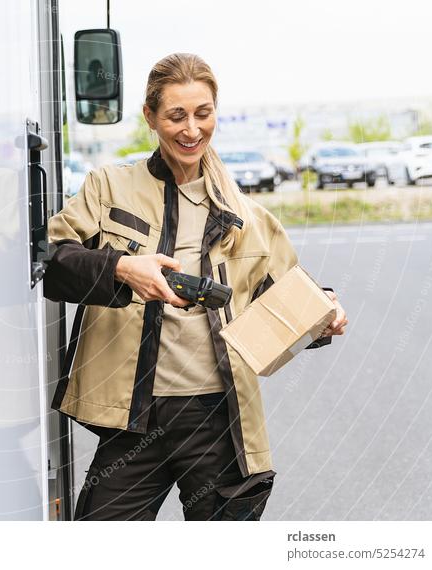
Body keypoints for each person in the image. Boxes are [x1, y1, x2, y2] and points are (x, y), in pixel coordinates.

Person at [43, 52, 347, 521]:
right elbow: (51, 260)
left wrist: (324, 315)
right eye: (176, 116)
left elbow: (287, 309)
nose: (191, 130)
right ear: (150, 116)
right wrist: (122, 269)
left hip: (218, 422)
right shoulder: (108, 188)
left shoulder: (249, 218)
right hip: (134, 420)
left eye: (203, 114)